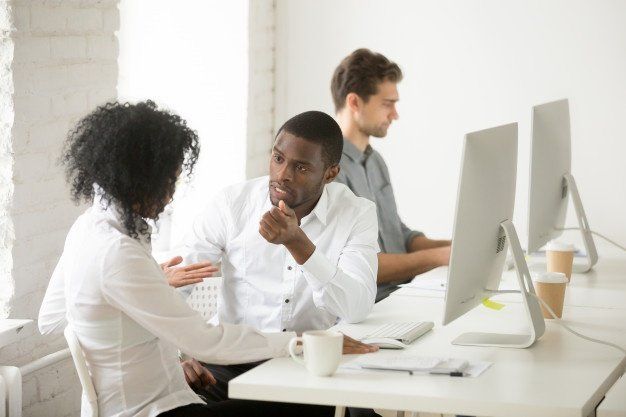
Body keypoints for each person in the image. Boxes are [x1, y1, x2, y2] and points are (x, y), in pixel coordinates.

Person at [38, 101, 374, 417]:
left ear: (329, 173)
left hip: (171, 394)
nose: (170, 195)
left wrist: (131, 305)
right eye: (169, 181)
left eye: (300, 167)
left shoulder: (87, 228)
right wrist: (303, 342)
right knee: (319, 407)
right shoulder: (122, 253)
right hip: (165, 406)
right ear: (141, 180)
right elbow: (204, 340)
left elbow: (51, 318)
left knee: (333, 402)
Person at [172, 111, 380, 415]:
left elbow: (357, 307)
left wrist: (300, 245)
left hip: (307, 367)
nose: (283, 174)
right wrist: (173, 359)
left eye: (301, 167)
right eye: (278, 158)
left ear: (330, 173)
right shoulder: (232, 205)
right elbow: (173, 287)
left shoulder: (355, 213)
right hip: (229, 366)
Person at [332, 48, 452, 301]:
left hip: (403, 294)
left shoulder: (375, 162)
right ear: (354, 102)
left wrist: (459, 246)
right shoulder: (330, 172)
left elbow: (399, 236)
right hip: (373, 307)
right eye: (387, 104)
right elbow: (362, 266)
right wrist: (441, 257)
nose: (395, 115)